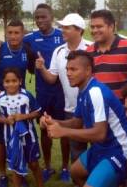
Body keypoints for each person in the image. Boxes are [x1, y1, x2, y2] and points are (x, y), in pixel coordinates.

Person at [40, 50, 127, 187]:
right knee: (76, 173)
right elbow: (77, 122)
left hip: (119, 150)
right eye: (67, 69)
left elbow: (99, 134)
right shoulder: (83, 90)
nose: (68, 73)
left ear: (88, 70)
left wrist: (63, 132)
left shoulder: (95, 93)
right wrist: (54, 122)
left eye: (73, 69)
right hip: (101, 147)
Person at [0, 20, 35, 187]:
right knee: (2, 140)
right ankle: (3, 174)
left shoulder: (27, 50)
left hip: (21, 102)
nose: (13, 36)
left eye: (17, 33)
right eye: (10, 33)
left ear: (23, 34)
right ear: (6, 33)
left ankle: (21, 173)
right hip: (2, 103)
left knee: (22, 138)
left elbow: (34, 70)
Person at [36, 13, 91, 164]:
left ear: (79, 30)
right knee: (76, 153)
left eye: (67, 27)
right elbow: (52, 78)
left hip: (93, 109)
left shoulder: (90, 49)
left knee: (99, 149)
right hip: (71, 109)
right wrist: (42, 68)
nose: (62, 30)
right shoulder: (59, 51)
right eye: (62, 27)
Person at [23, 3, 68, 182]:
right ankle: (47, 166)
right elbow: (14, 46)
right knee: (45, 128)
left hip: (63, 91)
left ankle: (65, 167)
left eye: (44, 17)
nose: (40, 20)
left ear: (52, 17)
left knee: (65, 128)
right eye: (37, 17)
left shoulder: (62, 35)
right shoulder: (30, 39)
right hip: (42, 92)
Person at [0, 68, 43, 187]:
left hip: (29, 137)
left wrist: (24, 116)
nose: (11, 84)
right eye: (7, 81)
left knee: (34, 164)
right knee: (16, 168)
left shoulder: (27, 95)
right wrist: (6, 120)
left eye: (14, 81)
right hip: (11, 139)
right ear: (3, 82)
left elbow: (37, 112)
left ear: (20, 81)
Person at [86, 9, 127, 99]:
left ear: (111, 27)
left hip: (123, 109)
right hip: (98, 109)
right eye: (92, 27)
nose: (95, 30)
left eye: (99, 26)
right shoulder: (88, 52)